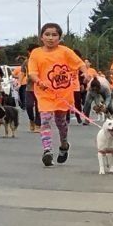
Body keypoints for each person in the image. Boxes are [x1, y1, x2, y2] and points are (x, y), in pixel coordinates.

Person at [27, 23, 84, 166]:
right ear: (41, 37)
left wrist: (85, 73)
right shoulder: (36, 53)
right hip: (44, 93)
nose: (50, 38)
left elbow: (79, 63)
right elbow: (32, 73)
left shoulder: (65, 51)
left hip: (62, 94)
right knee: (45, 120)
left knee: (61, 122)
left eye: (54, 35)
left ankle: (64, 144)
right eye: (47, 34)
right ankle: (47, 150)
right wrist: (39, 81)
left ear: (60, 37)